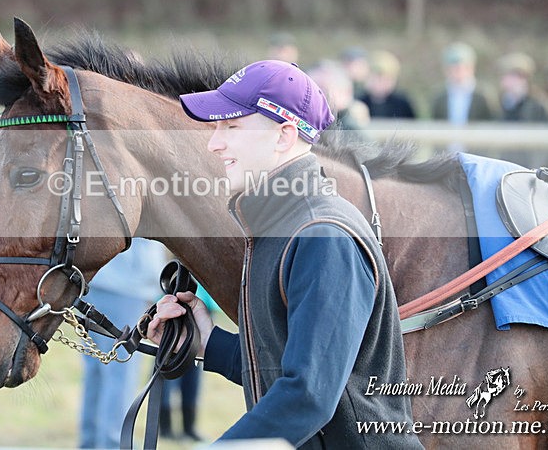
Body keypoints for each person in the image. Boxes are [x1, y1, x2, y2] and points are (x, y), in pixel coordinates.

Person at [148, 60, 422, 448]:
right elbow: (294, 366)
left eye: (231, 126)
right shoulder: (275, 227)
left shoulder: (322, 237)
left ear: (283, 136)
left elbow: (308, 395)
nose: (214, 143)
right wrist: (208, 342)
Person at [78, 237, 167, 449]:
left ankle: (91, 442)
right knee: (120, 374)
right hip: (125, 284)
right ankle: (113, 443)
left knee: (97, 372)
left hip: (95, 281)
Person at [159, 284, 219, 442]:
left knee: (194, 373)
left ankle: (189, 427)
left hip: (205, 304)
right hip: (176, 305)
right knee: (170, 371)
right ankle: (165, 428)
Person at [496, 52, 548, 168]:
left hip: (531, 170)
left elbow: (547, 145)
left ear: (520, 77)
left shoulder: (540, 105)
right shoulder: (504, 103)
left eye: (507, 75)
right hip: (509, 167)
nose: (503, 80)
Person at [431, 42, 496, 123]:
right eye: (453, 69)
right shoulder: (439, 97)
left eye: (462, 68)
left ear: (472, 68)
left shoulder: (483, 95)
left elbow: (492, 122)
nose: (458, 73)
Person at [308, 60, 369, 133]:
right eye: (309, 88)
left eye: (322, 89)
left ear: (344, 92)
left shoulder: (351, 132)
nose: (313, 95)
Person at [358, 50, 416, 119]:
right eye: (375, 78)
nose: (379, 83)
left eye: (385, 80)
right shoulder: (359, 102)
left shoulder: (402, 104)